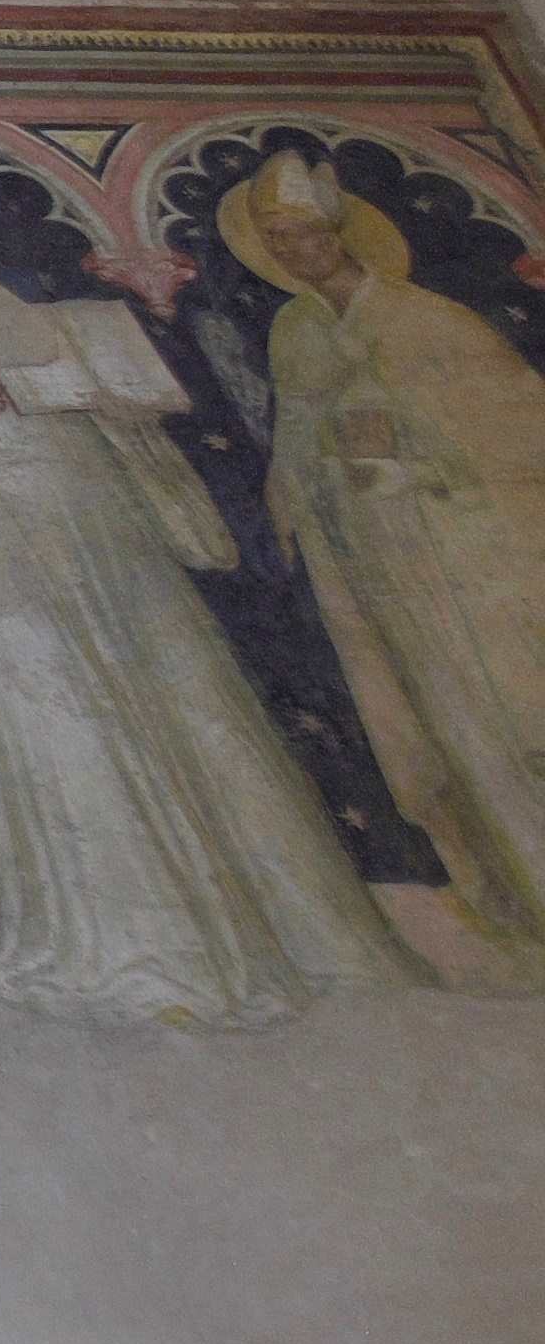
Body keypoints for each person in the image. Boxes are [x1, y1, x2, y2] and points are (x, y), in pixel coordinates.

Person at [0, 162, 410, 1026]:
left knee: (182, 697)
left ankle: (286, 930)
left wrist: (118, 414)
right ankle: (112, 940)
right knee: (47, 708)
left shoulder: (6, 302)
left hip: (96, 521)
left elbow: (63, 386)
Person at [229, 150, 545, 958]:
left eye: (305, 234)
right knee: (446, 730)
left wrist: (406, 453)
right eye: (277, 241)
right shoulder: (294, 331)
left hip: (470, 558)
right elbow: (294, 458)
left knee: (513, 712)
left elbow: (517, 444)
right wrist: (321, 476)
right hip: (379, 571)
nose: (295, 252)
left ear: (340, 231)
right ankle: (508, 893)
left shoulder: (429, 322)